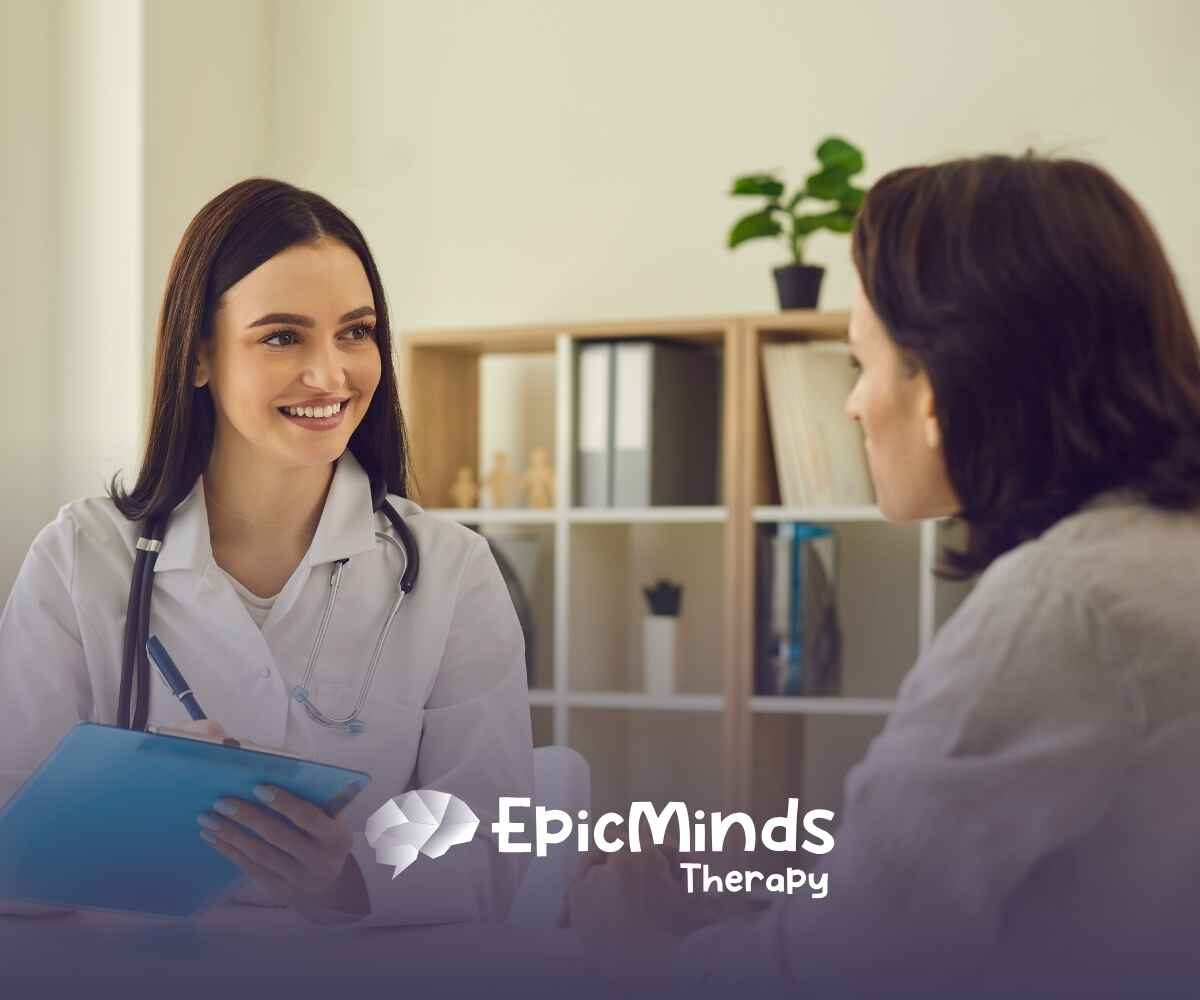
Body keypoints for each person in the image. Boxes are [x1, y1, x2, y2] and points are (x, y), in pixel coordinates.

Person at [566, 152, 1200, 995]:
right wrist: (744, 901)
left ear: (937, 387)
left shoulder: (1060, 610)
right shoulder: (1161, 560)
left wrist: (627, 947)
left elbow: (836, 972)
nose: (853, 403)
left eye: (861, 362)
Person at [0, 178, 532, 927]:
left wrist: (348, 877)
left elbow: (490, 841)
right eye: (283, 336)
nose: (331, 374)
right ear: (198, 356)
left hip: (353, 971)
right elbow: (12, 848)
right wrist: (124, 804)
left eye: (355, 332)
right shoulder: (80, 556)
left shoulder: (452, 571)